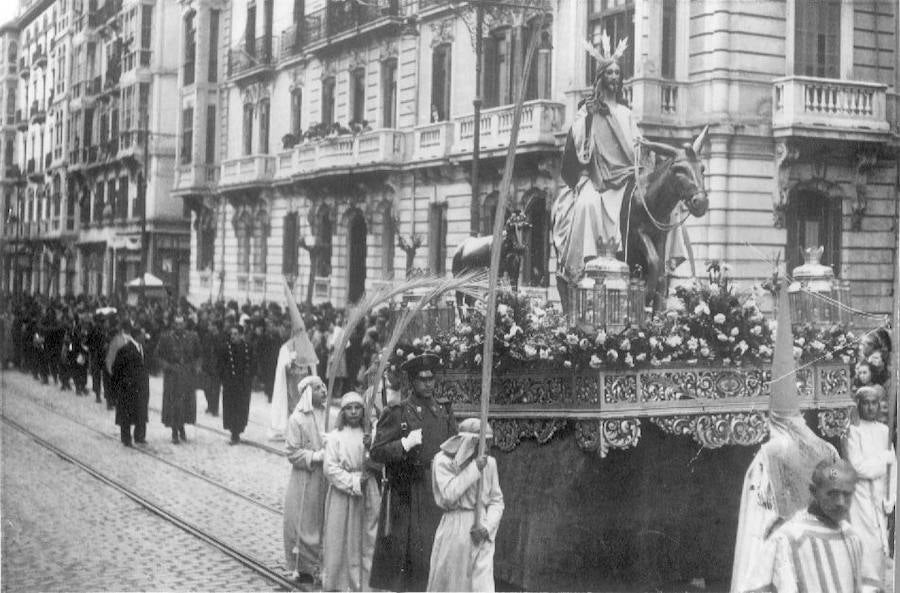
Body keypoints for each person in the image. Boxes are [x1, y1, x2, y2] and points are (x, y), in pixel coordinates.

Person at [552, 34, 688, 308]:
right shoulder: (587, 110)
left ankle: (665, 268)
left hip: (628, 176)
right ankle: (583, 264)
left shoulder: (626, 113)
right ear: (601, 76)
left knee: (665, 207)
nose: (614, 76)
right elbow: (579, 144)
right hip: (600, 177)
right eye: (609, 72)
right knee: (587, 205)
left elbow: (634, 144)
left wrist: (645, 150)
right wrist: (589, 118)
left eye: (617, 72)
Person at [370, 353, 458, 592]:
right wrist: (404, 445)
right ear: (411, 382)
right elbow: (376, 452)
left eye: (431, 378)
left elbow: (454, 444)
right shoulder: (398, 412)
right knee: (409, 555)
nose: (428, 384)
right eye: (422, 379)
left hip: (437, 487)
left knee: (434, 549)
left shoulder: (443, 410)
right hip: (409, 490)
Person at [746, 459, 874, 593]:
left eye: (847, 494)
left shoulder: (853, 538)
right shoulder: (788, 538)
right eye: (832, 493)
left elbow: (868, 586)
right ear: (814, 492)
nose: (840, 502)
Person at [427, 418, 504, 593]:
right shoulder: (443, 461)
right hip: (456, 527)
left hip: (480, 528)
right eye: (481, 443)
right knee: (455, 584)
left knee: (482, 585)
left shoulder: (490, 463)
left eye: (489, 443)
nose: (486, 448)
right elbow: (449, 494)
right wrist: (474, 469)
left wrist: (487, 527)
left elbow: (496, 500)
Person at [321, 391, 381, 592]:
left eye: (357, 408)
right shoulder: (335, 437)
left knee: (366, 536)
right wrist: (354, 482)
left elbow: (380, 460)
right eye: (349, 408)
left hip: (368, 490)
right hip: (344, 493)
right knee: (341, 537)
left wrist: (371, 451)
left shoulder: (370, 435)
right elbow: (330, 469)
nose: (354, 412)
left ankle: (365, 584)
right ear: (343, 412)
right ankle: (339, 583)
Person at [842, 385, 895, 592]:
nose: (871, 407)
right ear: (859, 405)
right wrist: (883, 460)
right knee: (863, 543)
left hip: (880, 498)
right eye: (866, 403)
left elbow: (895, 469)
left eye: (874, 403)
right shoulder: (852, 431)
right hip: (860, 499)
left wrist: (891, 499)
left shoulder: (885, 431)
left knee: (879, 546)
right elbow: (858, 467)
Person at [284, 375, 330, 582]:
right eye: (318, 388)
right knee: (305, 519)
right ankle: (304, 565)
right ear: (309, 393)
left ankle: (323, 563)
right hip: (306, 478)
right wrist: (314, 456)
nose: (324, 391)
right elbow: (292, 452)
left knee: (325, 517)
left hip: (327, 476)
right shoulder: (297, 419)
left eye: (323, 387)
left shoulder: (330, 414)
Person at [270, 281, 319, 441]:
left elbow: (313, 366)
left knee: (305, 407)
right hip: (292, 381)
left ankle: (303, 432)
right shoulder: (287, 347)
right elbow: (282, 366)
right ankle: (292, 432)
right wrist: (290, 362)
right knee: (293, 406)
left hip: (305, 382)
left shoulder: (307, 345)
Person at [157, 315, 201, 444]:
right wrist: (167, 366)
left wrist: (196, 367)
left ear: (185, 324)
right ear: (173, 325)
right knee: (173, 403)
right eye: (177, 324)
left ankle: (182, 427)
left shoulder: (193, 337)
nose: (179, 326)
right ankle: (174, 431)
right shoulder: (166, 338)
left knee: (186, 403)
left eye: (181, 324)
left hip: (187, 374)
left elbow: (199, 355)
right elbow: (158, 355)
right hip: (172, 376)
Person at [109, 319, 149, 447]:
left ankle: (139, 436)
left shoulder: (143, 349)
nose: (144, 337)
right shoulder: (125, 349)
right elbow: (116, 368)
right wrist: (124, 382)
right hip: (128, 386)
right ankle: (126, 438)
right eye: (142, 335)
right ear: (136, 336)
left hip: (141, 385)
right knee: (126, 412)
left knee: (141, 411)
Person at [220, 324, 254, 445]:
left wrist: (250, 378)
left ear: (241, 335)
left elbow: (253, 363)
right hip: (230, 383)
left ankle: (238, 430)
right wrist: (224, 378)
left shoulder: (247, 347)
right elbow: (220, 364)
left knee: (241, 408)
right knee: (231, 408)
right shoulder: (225, 348)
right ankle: (234, 433)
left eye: (235, 334)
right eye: (231, 334)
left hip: (243, 383)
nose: (233, 337)